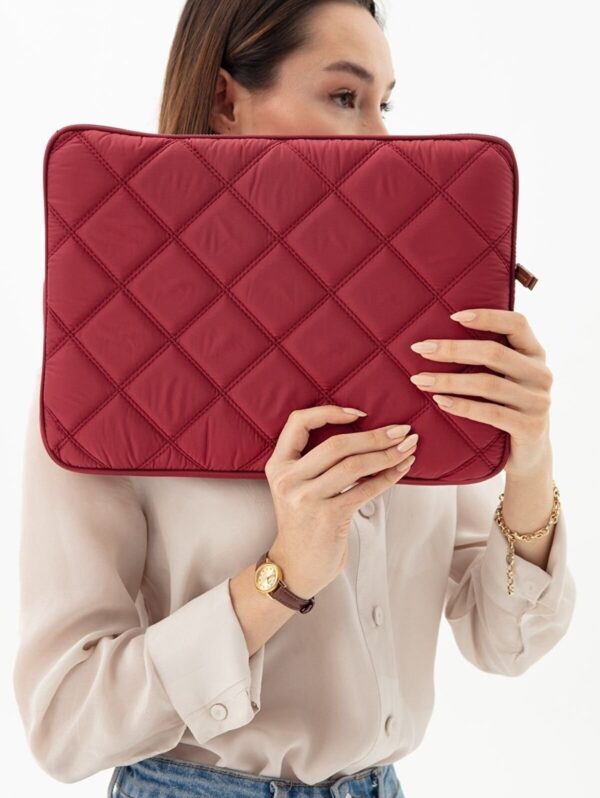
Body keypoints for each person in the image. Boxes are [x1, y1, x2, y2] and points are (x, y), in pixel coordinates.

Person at [13, 2, 576, 797]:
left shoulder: (416, 343)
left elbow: (505, 644)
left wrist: (530, 460)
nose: (382, 138)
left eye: (386, 103)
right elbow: (66, 722)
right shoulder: (111, 366)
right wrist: (282, 577)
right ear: (226, 101)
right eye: (345, 97)